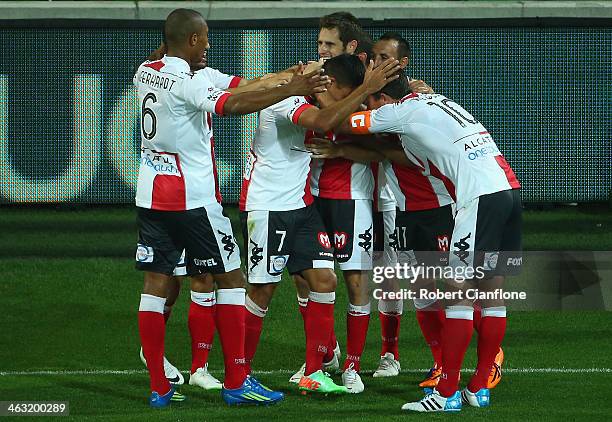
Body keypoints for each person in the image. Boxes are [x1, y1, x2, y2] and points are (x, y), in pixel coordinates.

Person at [134, 8, 329, 408]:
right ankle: (238, 378)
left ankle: (158, 386)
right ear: (191, 41)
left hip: (151, 196)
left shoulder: (146, 70)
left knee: (155, 285)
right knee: (233, 279)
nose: (208, 44)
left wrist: (288, 79)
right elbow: (235, 105)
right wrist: (290, 90)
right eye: (204, 38)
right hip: (192, 200)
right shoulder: (187, 83)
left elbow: (243, 84)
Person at [341, 76, 522, 412]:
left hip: (478, 197)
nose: (370, 108)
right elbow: (410, 155)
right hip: (508, 190)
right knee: (492, 295)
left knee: (458, 297)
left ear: (384, 98)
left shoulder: (398, 111)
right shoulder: (436, 101)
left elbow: (344, 122)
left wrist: (361, 93)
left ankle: (447, 393)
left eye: (373, 101)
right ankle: (479, 388)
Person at [241, 54, 400, 395]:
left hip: (302, 205)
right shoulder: (287, 98)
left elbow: (344, 122)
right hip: (269, 206)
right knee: (262, 291)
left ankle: (314, 372)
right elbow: (327, 120)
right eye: (347, 92)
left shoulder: (310, 93)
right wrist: (367, 90)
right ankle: (239, 374)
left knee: (324, 280)